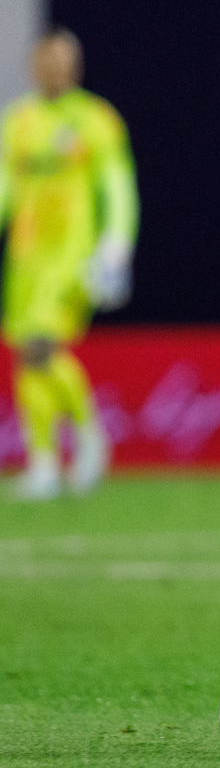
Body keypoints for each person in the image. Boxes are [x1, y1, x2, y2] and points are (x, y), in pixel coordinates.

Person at [3, 30, 138, 501]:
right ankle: (42, 463)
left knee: (40, 345)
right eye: (49, 61)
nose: (57, 69)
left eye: (65, 61)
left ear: (76, 66)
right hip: (25, 260)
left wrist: (116, 245)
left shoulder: (95, 119)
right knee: (25, 358)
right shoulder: (18, 123)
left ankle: (89, 434)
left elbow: (117, 186)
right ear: (33, 65)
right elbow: (3, 190)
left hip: (72, 257)